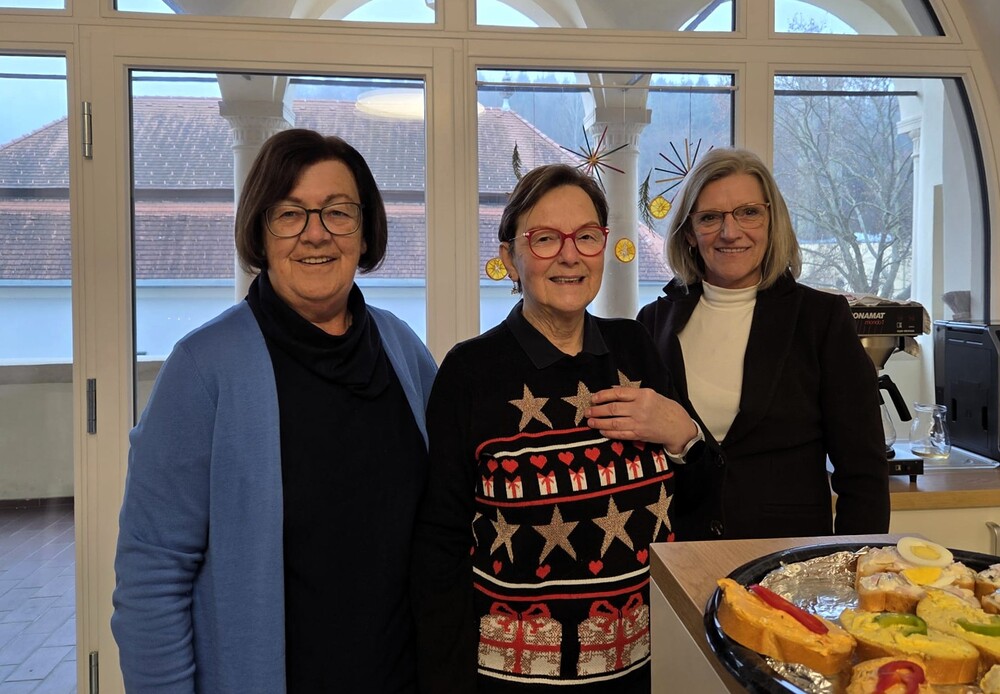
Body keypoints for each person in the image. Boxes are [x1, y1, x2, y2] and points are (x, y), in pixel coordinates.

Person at [111, 128, 437, 693]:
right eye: (289, 214)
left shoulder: (401, 348)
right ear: (260, 233)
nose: (316, 233)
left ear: (365, 232)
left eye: (338, 212)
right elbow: (153, 573)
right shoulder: (204, 367)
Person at [411, 163, 704, 693]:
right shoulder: (470, 372)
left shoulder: (637, 348)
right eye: (545, 239)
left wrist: (684, 435)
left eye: (586, 236)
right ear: (510, 257)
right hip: (514, 679)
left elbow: (702, 502)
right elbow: (439, 546)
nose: (570, 255)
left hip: (650, 672)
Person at [589, 147, 889, 541]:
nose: (730, 232)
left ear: (772, 221)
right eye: (710, 218)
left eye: (748, 212)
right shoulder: (652, 323)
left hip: (786, 558)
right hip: (678, 552)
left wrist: (856, 564)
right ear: (689, 233)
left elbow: (863, 474)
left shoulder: (822, 320)